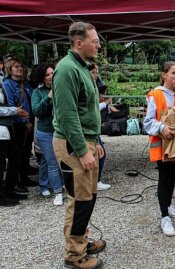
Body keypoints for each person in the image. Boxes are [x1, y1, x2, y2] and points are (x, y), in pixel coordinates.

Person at [52, 21, 105, 269]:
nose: (98, 45)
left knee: (89, 197)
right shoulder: (66, 70)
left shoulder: (82, 67)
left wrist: (94, 143)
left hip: (86, 141)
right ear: (78, 42)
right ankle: (74, 255)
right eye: (94, 41)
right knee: (80, 200)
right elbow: (67, 115)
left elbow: (87, 109)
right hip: (74, 144)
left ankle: (81, 240)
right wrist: (83, 150)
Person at [144, 61, 175, 236]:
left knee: (172, 177)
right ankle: (164, 216)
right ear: (164, 75)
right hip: (162, 144)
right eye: (173, 73)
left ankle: (168, 205)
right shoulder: (155, 94)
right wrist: (162, 128)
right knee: (164, 178)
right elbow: (148, 121)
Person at [3, 58, 38, 195]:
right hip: (17, 125)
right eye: (16, 67)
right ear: (10, 69)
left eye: (21, 66)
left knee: (26, 152)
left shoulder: (25, 84)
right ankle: (15, 182)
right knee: (16, 155)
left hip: (28, 122)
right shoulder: (7, 85)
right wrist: (24, 121)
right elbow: (11, 106)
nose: (20, 69)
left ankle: (24, 178)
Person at [31, 64, 64, 206]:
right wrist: (49, 97)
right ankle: (57, 192)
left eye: (53, 73)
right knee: (52, 163)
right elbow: (36, 111)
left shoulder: (62, 89)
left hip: (61, 131)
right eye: (47, 75)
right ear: (42, 78)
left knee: (54, 160)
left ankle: (49, 185)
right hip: (46, 133)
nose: (51, 76)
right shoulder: (37, 93)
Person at [0, 81, 30, 206]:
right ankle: (1, 196)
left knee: (15, 158)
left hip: (7, 128)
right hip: (2, 129)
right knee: (1, 164)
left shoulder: (1, 84)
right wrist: (15, 110)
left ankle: (9, 190)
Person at [88, 63, 111, 191]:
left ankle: (95, 180)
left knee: (99, 153)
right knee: (99, 153)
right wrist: (105, 104)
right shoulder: (85, 88)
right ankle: (94, 181)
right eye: (93, 72)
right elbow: (92, 108)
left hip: (93, 128)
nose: (96, 75)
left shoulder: (94, 86)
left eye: (97, 72)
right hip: (88, 129)